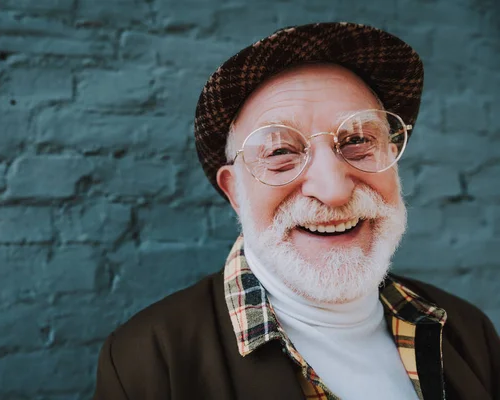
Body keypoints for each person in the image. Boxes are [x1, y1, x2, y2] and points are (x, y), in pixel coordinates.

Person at [93, 22, 500, 400]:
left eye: (358, 140)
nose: (334, 191)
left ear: (392, 158)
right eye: (282, 152)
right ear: (234, 191)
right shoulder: (149, 362)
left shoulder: (466, 331)